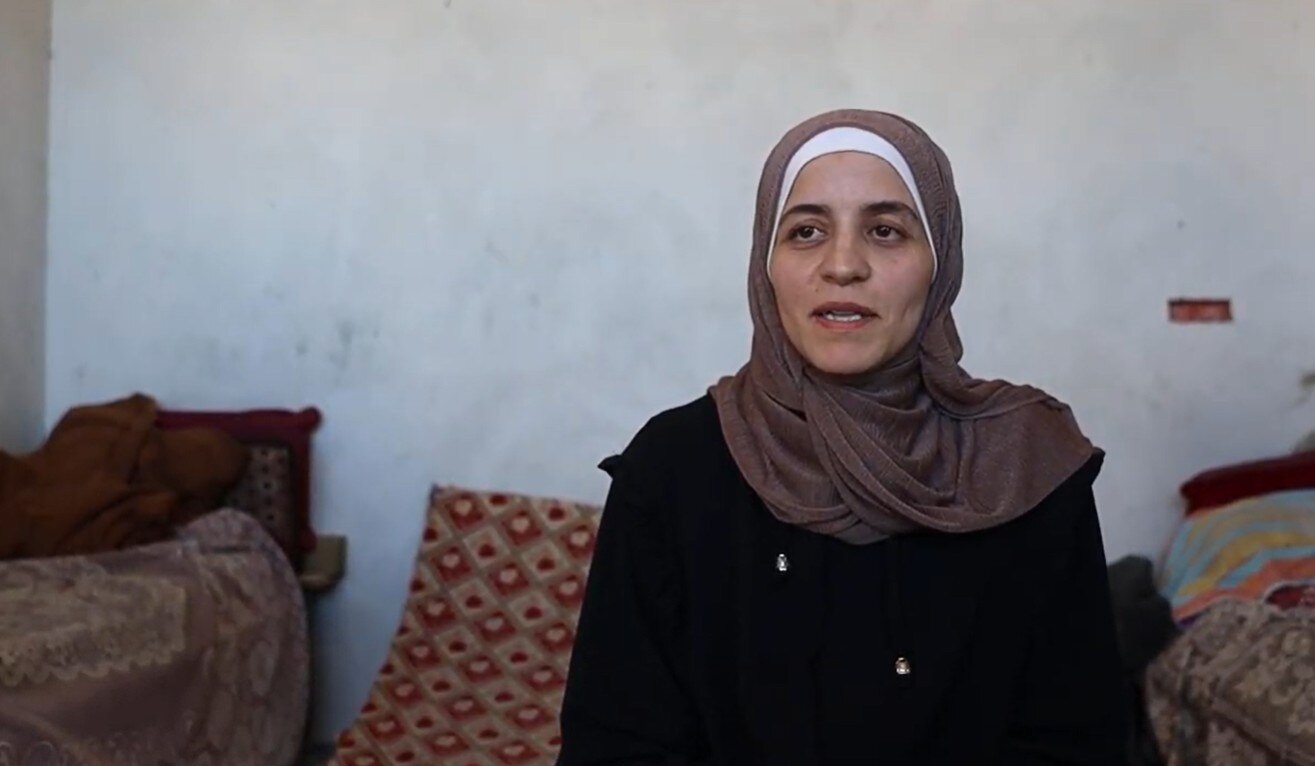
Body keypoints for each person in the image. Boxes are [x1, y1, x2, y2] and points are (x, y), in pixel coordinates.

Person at [557, 109, 1128, 765]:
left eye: (885, 231)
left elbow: (1073, 742)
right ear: (764, 265)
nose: (842, 265)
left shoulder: (1026, 463)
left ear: (939, 265)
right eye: (805, 232)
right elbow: (619, 743)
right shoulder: (674, 468)